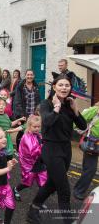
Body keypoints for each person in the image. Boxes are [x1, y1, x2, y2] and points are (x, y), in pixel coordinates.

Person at [26, 75, 87, 224]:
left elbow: (83, 126)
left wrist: (75, 110)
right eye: (61, 85)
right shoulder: (46, 104)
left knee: (51, 184)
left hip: (66, 149)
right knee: (64, 190)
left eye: (67, 85)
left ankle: (33, 210)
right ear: (54, 87)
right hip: (51, 149)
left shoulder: (70, 104)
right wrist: (57, 107)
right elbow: (47, 122)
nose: (64, 88)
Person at [13, 115, 47, 201]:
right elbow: (33, 151)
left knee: (43, 183)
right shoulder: (27, 137)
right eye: (34, 127)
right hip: (30, 165)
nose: (37, 128)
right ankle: (15, 189)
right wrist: (44, 146)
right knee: (27, 183)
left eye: (38, 126)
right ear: (29, 126)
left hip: (40, 163)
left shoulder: (38, 135)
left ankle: (38, 202)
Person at [73, 102, 99, 200]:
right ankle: (79, 191)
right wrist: (87, 130)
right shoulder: (94, 110)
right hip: (92, 144)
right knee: (90, 169)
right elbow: (77, 122)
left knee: (88, 168)